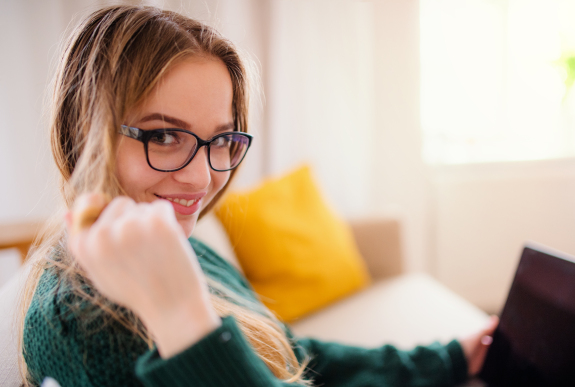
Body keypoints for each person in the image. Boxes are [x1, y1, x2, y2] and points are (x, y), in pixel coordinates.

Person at [18, 5, 497, 387]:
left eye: (221, 140)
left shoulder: (181, 246)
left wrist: (449, 358)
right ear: (85, 133)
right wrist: (182, 319)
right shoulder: (82, 327)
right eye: (165, 136)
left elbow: (293, 356)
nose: (202, 178)